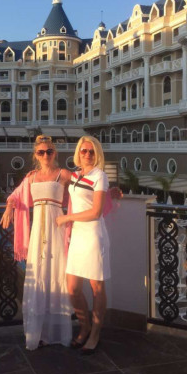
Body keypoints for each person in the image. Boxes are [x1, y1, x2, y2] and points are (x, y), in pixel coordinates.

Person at [0, 135, 72, 350]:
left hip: (57, 228)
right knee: (39, 273)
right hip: (38, 232)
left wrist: (109, 192)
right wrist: (9, 207)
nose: (45, 155)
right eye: (41, 152)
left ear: (55, 153)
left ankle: (56, 332)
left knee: (56, 274)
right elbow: (15, 195)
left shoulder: (63, 174)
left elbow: (85, 189)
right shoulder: (31, 177)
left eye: (49, 151)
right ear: (36, 155)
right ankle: (37, 332)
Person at [56, 135, 118, 355]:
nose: (88, 154)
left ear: (97, 154)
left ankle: (94, 334)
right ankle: (85, 327)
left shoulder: (100, 175)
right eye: (84, 151)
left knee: (96, 288)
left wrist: (67, 218)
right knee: (73, 288)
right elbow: (63, 188)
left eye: (92, 151)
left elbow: (96, 211)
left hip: (93, 236)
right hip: (77, 237)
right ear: (78, 153)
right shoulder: (75, 175)